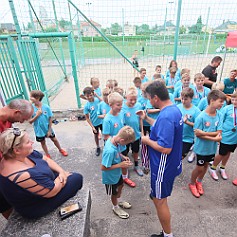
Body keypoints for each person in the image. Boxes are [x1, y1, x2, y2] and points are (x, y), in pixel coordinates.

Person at [0, 128, 83, 219]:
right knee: (77, 178)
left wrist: (61, 171)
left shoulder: (19, 154)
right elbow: (52, 191)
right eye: (28, 142)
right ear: (17, 150)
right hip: (36, 204)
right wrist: (63, 177)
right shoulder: (22, 175)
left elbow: (46, 159)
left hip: (44, 182)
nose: (32, 142)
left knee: (70, 177)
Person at [137, 79, 183, 237]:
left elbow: (165, 148)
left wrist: (146, 140)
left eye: (149, 98)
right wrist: (147, 118)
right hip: (172, 164)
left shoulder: (165, 116)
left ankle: (167, 235)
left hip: (163, 167)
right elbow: (164, 128)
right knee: (158, 197)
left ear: (156, 98)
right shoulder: (173, 109)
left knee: (160, 200)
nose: (149, 101)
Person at [0, 99, 33, 219]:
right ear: (17, 112)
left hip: (7, 165)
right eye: (23, 118)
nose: (22, 121)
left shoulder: (7, 122)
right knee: (4, 203)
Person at [189, 90, 225, 198]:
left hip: (211, 149)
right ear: (212, 101)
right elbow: (197, 134)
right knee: (199, 168)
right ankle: (191, 183)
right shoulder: (201, 117)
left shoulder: (220, 115)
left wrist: (204, 132)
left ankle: (199, 181)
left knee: (205, 167)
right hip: (201, 148)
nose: (222, 103)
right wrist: (213, 138)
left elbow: (219, 132)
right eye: (220, 101)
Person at [102, 92, 136, 188]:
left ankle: (125, 178)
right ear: (110, 105)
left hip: (122, 144)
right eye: (118, 105)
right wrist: (116, 142)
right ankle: (116, 179)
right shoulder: (107, 119)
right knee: (116, 163)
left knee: (124, 162)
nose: (121, 107)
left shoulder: (121, 114)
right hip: (115, 146)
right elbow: (106, 136)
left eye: (121, 104)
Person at [101, 126, 135, 219]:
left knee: (121, 185)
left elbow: (118, 151)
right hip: (110, 177)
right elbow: (103, 167)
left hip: (117, 174)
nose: (125, 146)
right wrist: (121, 165)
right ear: (122, 139)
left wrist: (122, 156)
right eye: (126, 143)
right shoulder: (109, 150)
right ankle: (115, 207)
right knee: (114, 193)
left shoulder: (114, 140)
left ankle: (117, 201)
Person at [29, 90, 68, 159]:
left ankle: (60, 149)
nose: (30, 98)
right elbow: (30, 121)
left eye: (31, 97)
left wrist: (49, 130)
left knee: (54, 139)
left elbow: (50, 119)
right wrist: (37, 115)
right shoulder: (31, 108)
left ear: (37, 98)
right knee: (43, 142)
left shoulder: (46, 107)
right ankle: (47, 154)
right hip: (39, 130)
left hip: (47, 128)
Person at [208, 92, 237, 181]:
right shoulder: (227, 109)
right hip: (226, 136)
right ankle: (213, 168)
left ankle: (222, 167)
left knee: (228, 153)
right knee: (221, 153)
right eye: (233, 99)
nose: (234, 102)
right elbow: (220, 121)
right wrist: (219, 133)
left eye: (236, 100)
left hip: (234, 137)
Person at [121, 87, 143, 177]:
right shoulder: (122, 107)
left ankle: (136, 166)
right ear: (126, 97)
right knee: (125, 152)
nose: (133, 102)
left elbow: (140, 119)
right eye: (131, 99)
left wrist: (142, 131)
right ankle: (125, 168)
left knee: (136, 151)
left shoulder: (139, 105)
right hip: (126, 136)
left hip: (136, 135)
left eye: (135, 99)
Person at [177, 88, 200, 160]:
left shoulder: (196, 111)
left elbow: (198, 126)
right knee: (174, 156)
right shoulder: (178, 107)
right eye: (182, 98)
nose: (183, 101)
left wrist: (187, 122)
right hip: (177, 136)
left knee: (181, 157)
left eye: (186, 99)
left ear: (191, 98)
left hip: (188, 139)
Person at [83, 87, 103, 156]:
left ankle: (107, 145)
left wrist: (96, 95)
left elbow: (103, 101)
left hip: (102, 122)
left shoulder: (97, 100)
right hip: (94, 123)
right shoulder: (86, 106)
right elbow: (87, 118)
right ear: (85, 96)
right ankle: (98, 147)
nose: (89, 97)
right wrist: (92, 127)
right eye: (87, 96)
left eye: (91, 95)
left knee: (105, 134)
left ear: (93, 94)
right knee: (96, 135)